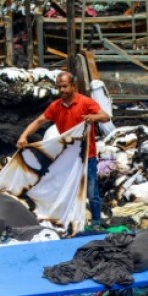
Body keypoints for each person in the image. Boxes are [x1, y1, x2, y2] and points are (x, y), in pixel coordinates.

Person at [16, 72, 110, 225]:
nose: (62, 90)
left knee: (92, 193)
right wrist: (24, 136)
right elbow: (39, 121)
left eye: (65, 86)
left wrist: (93, 117)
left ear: (73, 86)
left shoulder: (86, 103)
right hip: (68, 158)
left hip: (88, 156)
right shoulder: (56, 107)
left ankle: (97, 222)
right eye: (59, 87)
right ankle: (71, 220)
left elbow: (106, 117)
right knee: (68, 190)